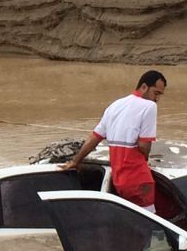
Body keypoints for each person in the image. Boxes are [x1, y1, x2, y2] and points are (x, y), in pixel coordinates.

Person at [59, 70, 167, 211]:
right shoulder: (149, 107)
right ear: (144, 87)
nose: (157, 99)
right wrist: (146, 158)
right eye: (156, 93)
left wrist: (76, 161)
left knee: (131, 220)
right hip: (139, 179)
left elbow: (94, 137)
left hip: (119, 181)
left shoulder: (115, 105)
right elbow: (144, 146)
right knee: (147, 225)